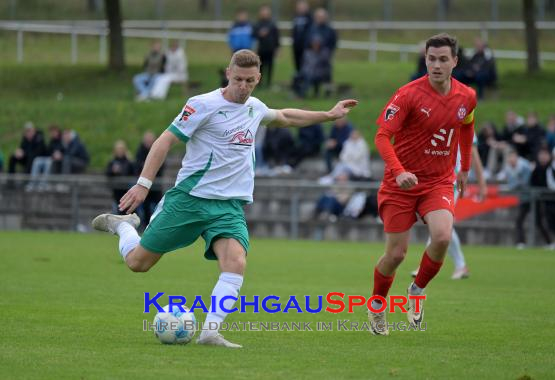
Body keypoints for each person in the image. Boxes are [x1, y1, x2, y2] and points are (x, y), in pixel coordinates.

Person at [92, 49, 357, 348]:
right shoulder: (201, 105)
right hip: (190, 200)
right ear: (228, 73)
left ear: (258, 78)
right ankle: (124, 226)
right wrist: (143, 184)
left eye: (250, 81)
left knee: (235, 263)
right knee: (138, 263)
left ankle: (209, 332)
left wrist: (329, 114)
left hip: (229, 206)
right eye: (238, 79)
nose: (243, 87)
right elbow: (164, 141)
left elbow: (284, 116)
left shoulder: (254, 107)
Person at [369, 34, 477, 336]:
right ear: (425, 59)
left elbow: (467, 126)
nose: (437, 65)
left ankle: (416, 291)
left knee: (442, 237)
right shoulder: (407, 95)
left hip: (438, 181)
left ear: (455, 61)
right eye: (432, 59)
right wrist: (399, 171)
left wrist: (465, 167)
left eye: (443, 59)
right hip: (399, 184)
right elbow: (381, 136)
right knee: (397, 255)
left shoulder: (467, 95)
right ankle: (377, 304)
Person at [411, 135, 487, 279]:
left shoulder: (464, 118)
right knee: (445, 224)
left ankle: (426, 265)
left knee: (442, 222)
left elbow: (474, 154)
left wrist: (482, 184)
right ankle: (460, 266)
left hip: (452, 180)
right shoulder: (441, 118)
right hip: (439, 177)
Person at [135, 131, 164, 228]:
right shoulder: (140, 151)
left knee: (159, 205)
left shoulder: (157, 150)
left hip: (156, 184)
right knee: (145, 206)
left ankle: (158, 225)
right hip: (144, 185)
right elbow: (136, 165)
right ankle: (146, 225)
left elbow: (162, 164)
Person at [106, 140, 136, 214]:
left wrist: (121, 171)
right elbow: (107, 173)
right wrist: (113, 171)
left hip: (127, 191)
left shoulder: (129, 162)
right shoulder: (112, 162)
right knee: (117, 210)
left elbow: (133, 173)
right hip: (116, 191)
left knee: (127, 211)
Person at [253, 5, 280, 88]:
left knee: (270, 67)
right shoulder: (257, 24)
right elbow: (253, 35)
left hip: (270, 49)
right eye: (263, 12)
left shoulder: (272, 24)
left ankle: (269, 83)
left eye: (266, 12)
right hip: (260, 49)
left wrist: (278, 48)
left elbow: (277, 37)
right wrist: (259, 34)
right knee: (260, 67)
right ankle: (259, 83)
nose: (264, 14)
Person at [291, 0, 312, 74]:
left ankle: (305, 79)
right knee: (297, 63)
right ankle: (298, 78)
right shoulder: (296, 17)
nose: (300, 8)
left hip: (305, 45)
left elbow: (310, 31)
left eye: (302, 7)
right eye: (299, 7)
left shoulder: (310, 17)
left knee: (305, 63)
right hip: (296, 45)